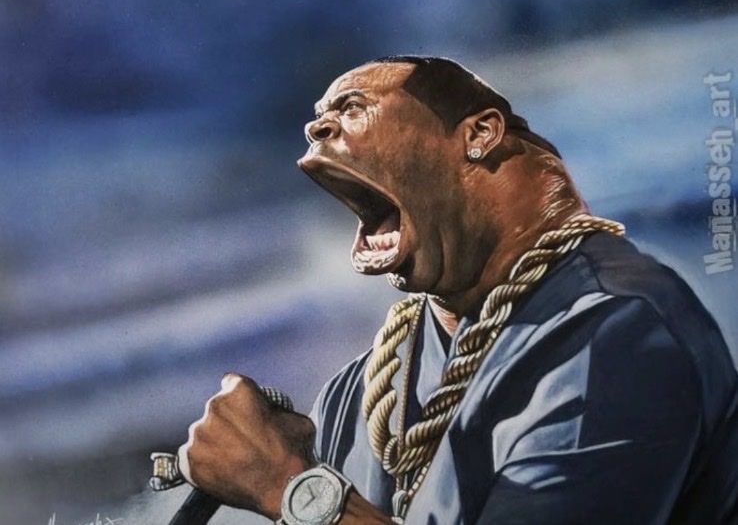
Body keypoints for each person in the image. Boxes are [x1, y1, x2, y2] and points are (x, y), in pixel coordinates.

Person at [176, 56, 738, 524]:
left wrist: (289, 487)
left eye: (351, 107)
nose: (317, 128)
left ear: (479, 134)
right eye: (319, 118)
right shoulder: (353, 397)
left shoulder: (618, 334)